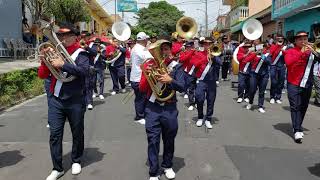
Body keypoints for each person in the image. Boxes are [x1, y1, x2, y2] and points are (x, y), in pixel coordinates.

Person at [38, 23, 89, 180]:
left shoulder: (81, 53)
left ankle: (76, 159)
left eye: (66, 35)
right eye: (60, 36)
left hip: (75, 99)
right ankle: (57, 168)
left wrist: (63, 65)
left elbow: (84, 72)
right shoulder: (53, 51)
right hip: (56, 99)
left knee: (77, 131)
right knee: (54, 134)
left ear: (75, 37)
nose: (62, 38)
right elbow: (42, 75)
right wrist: (46, 61)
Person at [139, 40, 186, 180]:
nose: (163, 52)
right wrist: (148, 76)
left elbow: (183, 87)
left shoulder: (176, 67)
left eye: (166, 49)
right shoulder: (149, 65)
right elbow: (142, 89)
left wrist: (170, 80)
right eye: (160, 50)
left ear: (170, 51)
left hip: (170, 108)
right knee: (152, 140)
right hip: (152, 107)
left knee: (169, 139)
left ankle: (167, 165)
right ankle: (153, 172)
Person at [284, 31, 320, 143]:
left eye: (305, 39)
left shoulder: (311, 52)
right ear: (295, 41)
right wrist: (302, 53)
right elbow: (288, 62)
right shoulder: (290, 51)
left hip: (307, 84)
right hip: (293, 83)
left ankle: (297, 125)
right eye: (300, 39)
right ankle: (297, 130)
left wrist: (314, 51)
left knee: (303, 107)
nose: (303, 41)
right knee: (295, 107)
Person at [193, 38, 218, 129]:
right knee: (199, 99)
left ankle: (208, 119)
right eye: (205, 44)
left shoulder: (215, 53)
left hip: (211, 82)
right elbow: (195, 64)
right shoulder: (198, 53)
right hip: (201, 80)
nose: (207, 45)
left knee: (211, 101)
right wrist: (205, 58)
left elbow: (220, 63)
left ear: (212, 44)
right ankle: (200, 117)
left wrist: (214, 57)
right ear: (203, 45)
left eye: (209, 44)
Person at [130, 32, 153, 125]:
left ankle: (142, 114)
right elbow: (150, 59)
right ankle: (139, 116)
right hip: (139, 78)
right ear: (144, 40)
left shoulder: (136, 48)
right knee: (141, 98)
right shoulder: (140, 49)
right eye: (146, 39)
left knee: (142, 97)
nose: (147, 41)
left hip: (137, 77)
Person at [246, 41, 271, 113]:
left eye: (261, 47)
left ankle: (260, 106)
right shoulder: (253, 53)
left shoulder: (267, 54)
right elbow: (247, 60)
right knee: (252, 89)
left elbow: (269, 62)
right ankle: (250, 102)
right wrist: (255, 54)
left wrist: (262, 55)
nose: (260, 48)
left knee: (262, 91)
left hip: (264, 75)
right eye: (258, 47)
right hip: (254, 74)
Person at [269, 34, 287, 104]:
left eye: (281, 38)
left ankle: (278, 97)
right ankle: (272, 97)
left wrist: (283, 50)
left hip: (282, 66)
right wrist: (277, 46)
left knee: (281, 82)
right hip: (274, 66)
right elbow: (271, 53)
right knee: (274, 82)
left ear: (283, 40)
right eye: (278, 39)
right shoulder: (273, 46)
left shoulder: (285, 47)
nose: (280, 40)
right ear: (276, 40)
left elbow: (287, 55)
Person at [179, 40, 197, 110]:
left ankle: (197, 102)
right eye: (187, 47)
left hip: (196, 73)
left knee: (197, 89)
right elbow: (182, 59)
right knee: (191, 89)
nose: (189, 48)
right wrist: (191, 53)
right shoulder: (184, 53)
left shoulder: (196, 53)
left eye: (190, 47)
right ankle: (191, 103)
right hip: (188, 73)